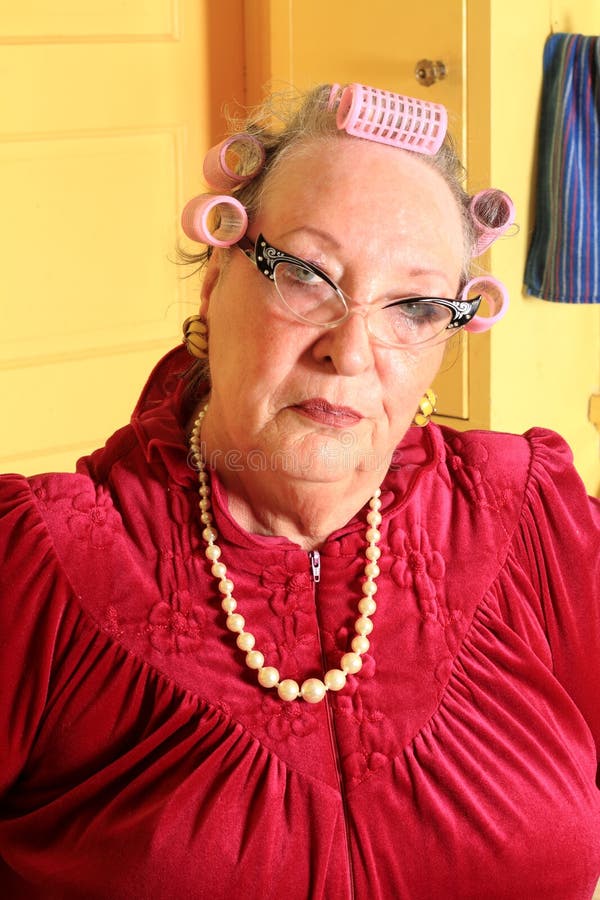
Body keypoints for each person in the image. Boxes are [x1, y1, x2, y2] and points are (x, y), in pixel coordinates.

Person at [0, 82, 598, 900]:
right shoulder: (36, 568)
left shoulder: (533, 518)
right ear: (216, 278)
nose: (350, 352)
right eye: (309, 277)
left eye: (414, 305)